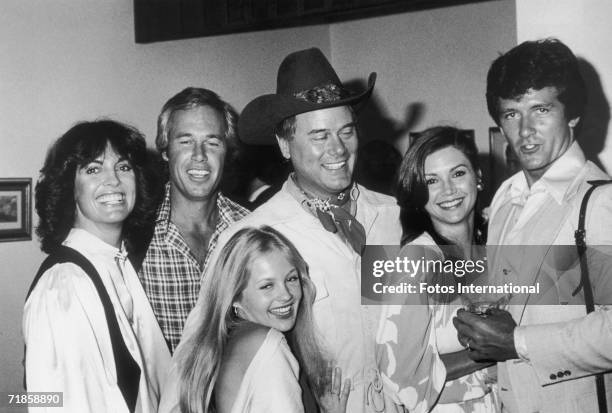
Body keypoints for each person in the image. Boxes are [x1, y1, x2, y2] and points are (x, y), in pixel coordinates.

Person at [164, 47, 445, 413]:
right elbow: (190, 369)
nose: (338, 149)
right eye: (319, 136)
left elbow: (460, 309)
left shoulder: (395, 216)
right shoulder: (253, 237)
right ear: (284, 144)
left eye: (346, 131)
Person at [453, 38, 612, 412]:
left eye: (540, 109)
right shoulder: (506, 201)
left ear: (571, 114)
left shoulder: (600, 202)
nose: (524, 130)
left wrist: (518, 341)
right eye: (510, 114)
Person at [24, 120, 170, 412]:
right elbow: (55, 402)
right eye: (93, 169)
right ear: (70, 188)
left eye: (124, 167)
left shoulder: (117, 265)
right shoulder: (66, 285)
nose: (114, 181)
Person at [171, 225, 350, 413]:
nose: (286, 295)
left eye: (291, 279)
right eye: (267, 286)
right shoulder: (269, 345)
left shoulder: (221, 342)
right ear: (235, 296)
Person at [393, 126, 497, 412]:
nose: (448, 190)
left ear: (478, 176)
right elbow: (400, 375)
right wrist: (494, 350)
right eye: (431, 181)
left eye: (458, 173)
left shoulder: (501, 241)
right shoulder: (415, 261)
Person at [139, 87, 249, 352]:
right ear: (165, 151)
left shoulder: (249, 230)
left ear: (227, 152)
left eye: (213, 143)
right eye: (185, 141)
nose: (200, 155)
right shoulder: (134, 237)